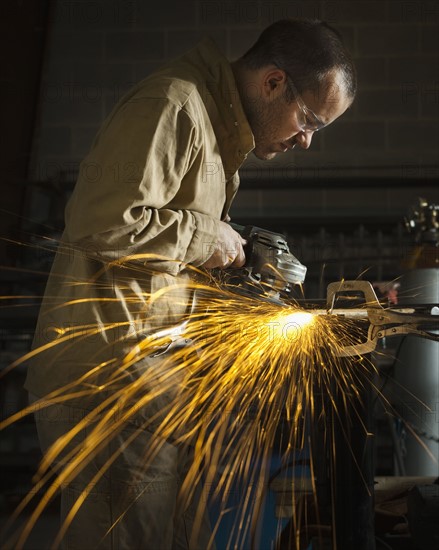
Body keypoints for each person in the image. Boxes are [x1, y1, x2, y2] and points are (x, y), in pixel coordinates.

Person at [24, 18, 356, 549]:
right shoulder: (174, 105)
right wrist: (209, 237)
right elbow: (100, 223)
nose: (307, 141)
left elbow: (157, 250)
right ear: (274, 83)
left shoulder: (214, 124)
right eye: (309, 120)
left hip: (149, 382)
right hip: (110, 384)